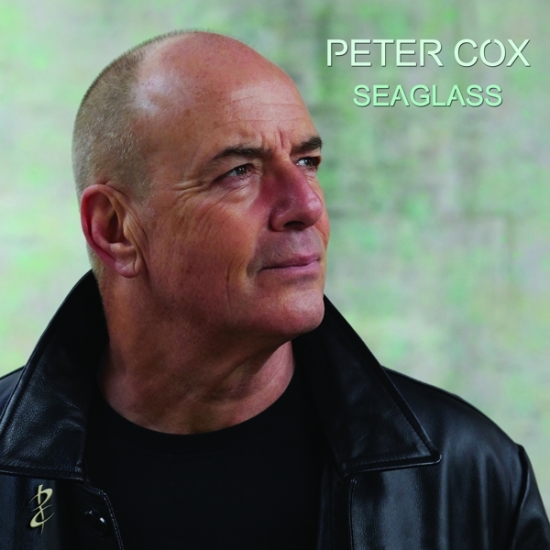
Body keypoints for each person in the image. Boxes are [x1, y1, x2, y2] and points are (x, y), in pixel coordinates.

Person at [0, 30, 548, 550]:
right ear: (115, 228)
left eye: (307, 162)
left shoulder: (470, 477)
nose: (307, 205)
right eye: (239, 171)